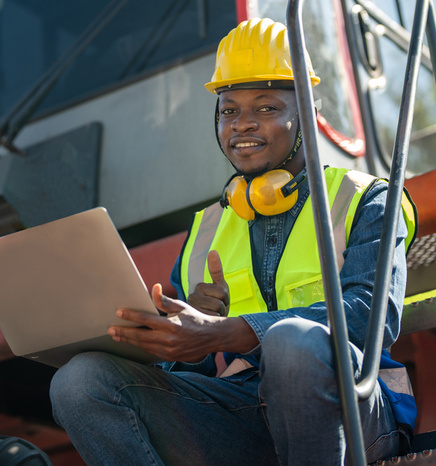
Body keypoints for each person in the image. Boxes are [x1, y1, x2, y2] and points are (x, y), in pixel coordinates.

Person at [50, 17, 417, 466]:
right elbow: (184, 373)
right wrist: (188, 337)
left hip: (352, 414)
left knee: (293, 343)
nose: (242, 124)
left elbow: (369, 322)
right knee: (80, 381)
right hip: (241, 417)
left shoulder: (367, 199)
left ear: (307, 114)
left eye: (265, 108)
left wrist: (231, 332)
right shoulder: (206, 229)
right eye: (229, 110)